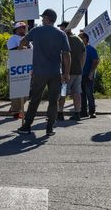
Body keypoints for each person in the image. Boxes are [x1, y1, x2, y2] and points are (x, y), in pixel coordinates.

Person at [17, 9, 71, 137]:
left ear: (47, 18)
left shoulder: (36, 31)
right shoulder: (61, 34)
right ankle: (49, 127)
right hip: (55, 72)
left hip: (39, 72)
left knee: (35, 99)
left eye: (43, 18)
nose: (41, 19)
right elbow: (67, 55)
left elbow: (23, 41)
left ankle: (26, 126)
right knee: (53, 101)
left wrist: (21, 51)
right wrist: (66, 73)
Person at [57, 21, 85, 121]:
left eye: (61, 27)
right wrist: (81, 68)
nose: (60, 29)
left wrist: (63, 72)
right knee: (77, 93)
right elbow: (83, 55)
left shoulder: (63, 39)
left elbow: (61, 56)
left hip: (66, 73)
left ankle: (60, 113)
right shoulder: (79, 39)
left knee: (63, 93)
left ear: (66, 28)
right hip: (78, 72)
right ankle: (77, 113)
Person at [6, 21, 28, 119]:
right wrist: (21, 47)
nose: (24, 29)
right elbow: (12, 51)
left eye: (25, 27)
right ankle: (15, 111)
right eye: (22, 27)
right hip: (15, 67)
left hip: (26, 67)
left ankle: (14, 108)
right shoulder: (12, 39)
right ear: (17, 29)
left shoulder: (27, 39)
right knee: (16, 90)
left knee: (27, 92)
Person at [79, 31, 99, 119]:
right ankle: (83, 112)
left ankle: (92, 112)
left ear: (86, 39)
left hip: (88, 75)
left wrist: (91, 73)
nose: (79, 39)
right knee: (81, 94)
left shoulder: (91, 49)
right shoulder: (79, 49)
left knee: (89, 94)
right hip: (79, 75)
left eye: (81, 37)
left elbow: (95, 61)